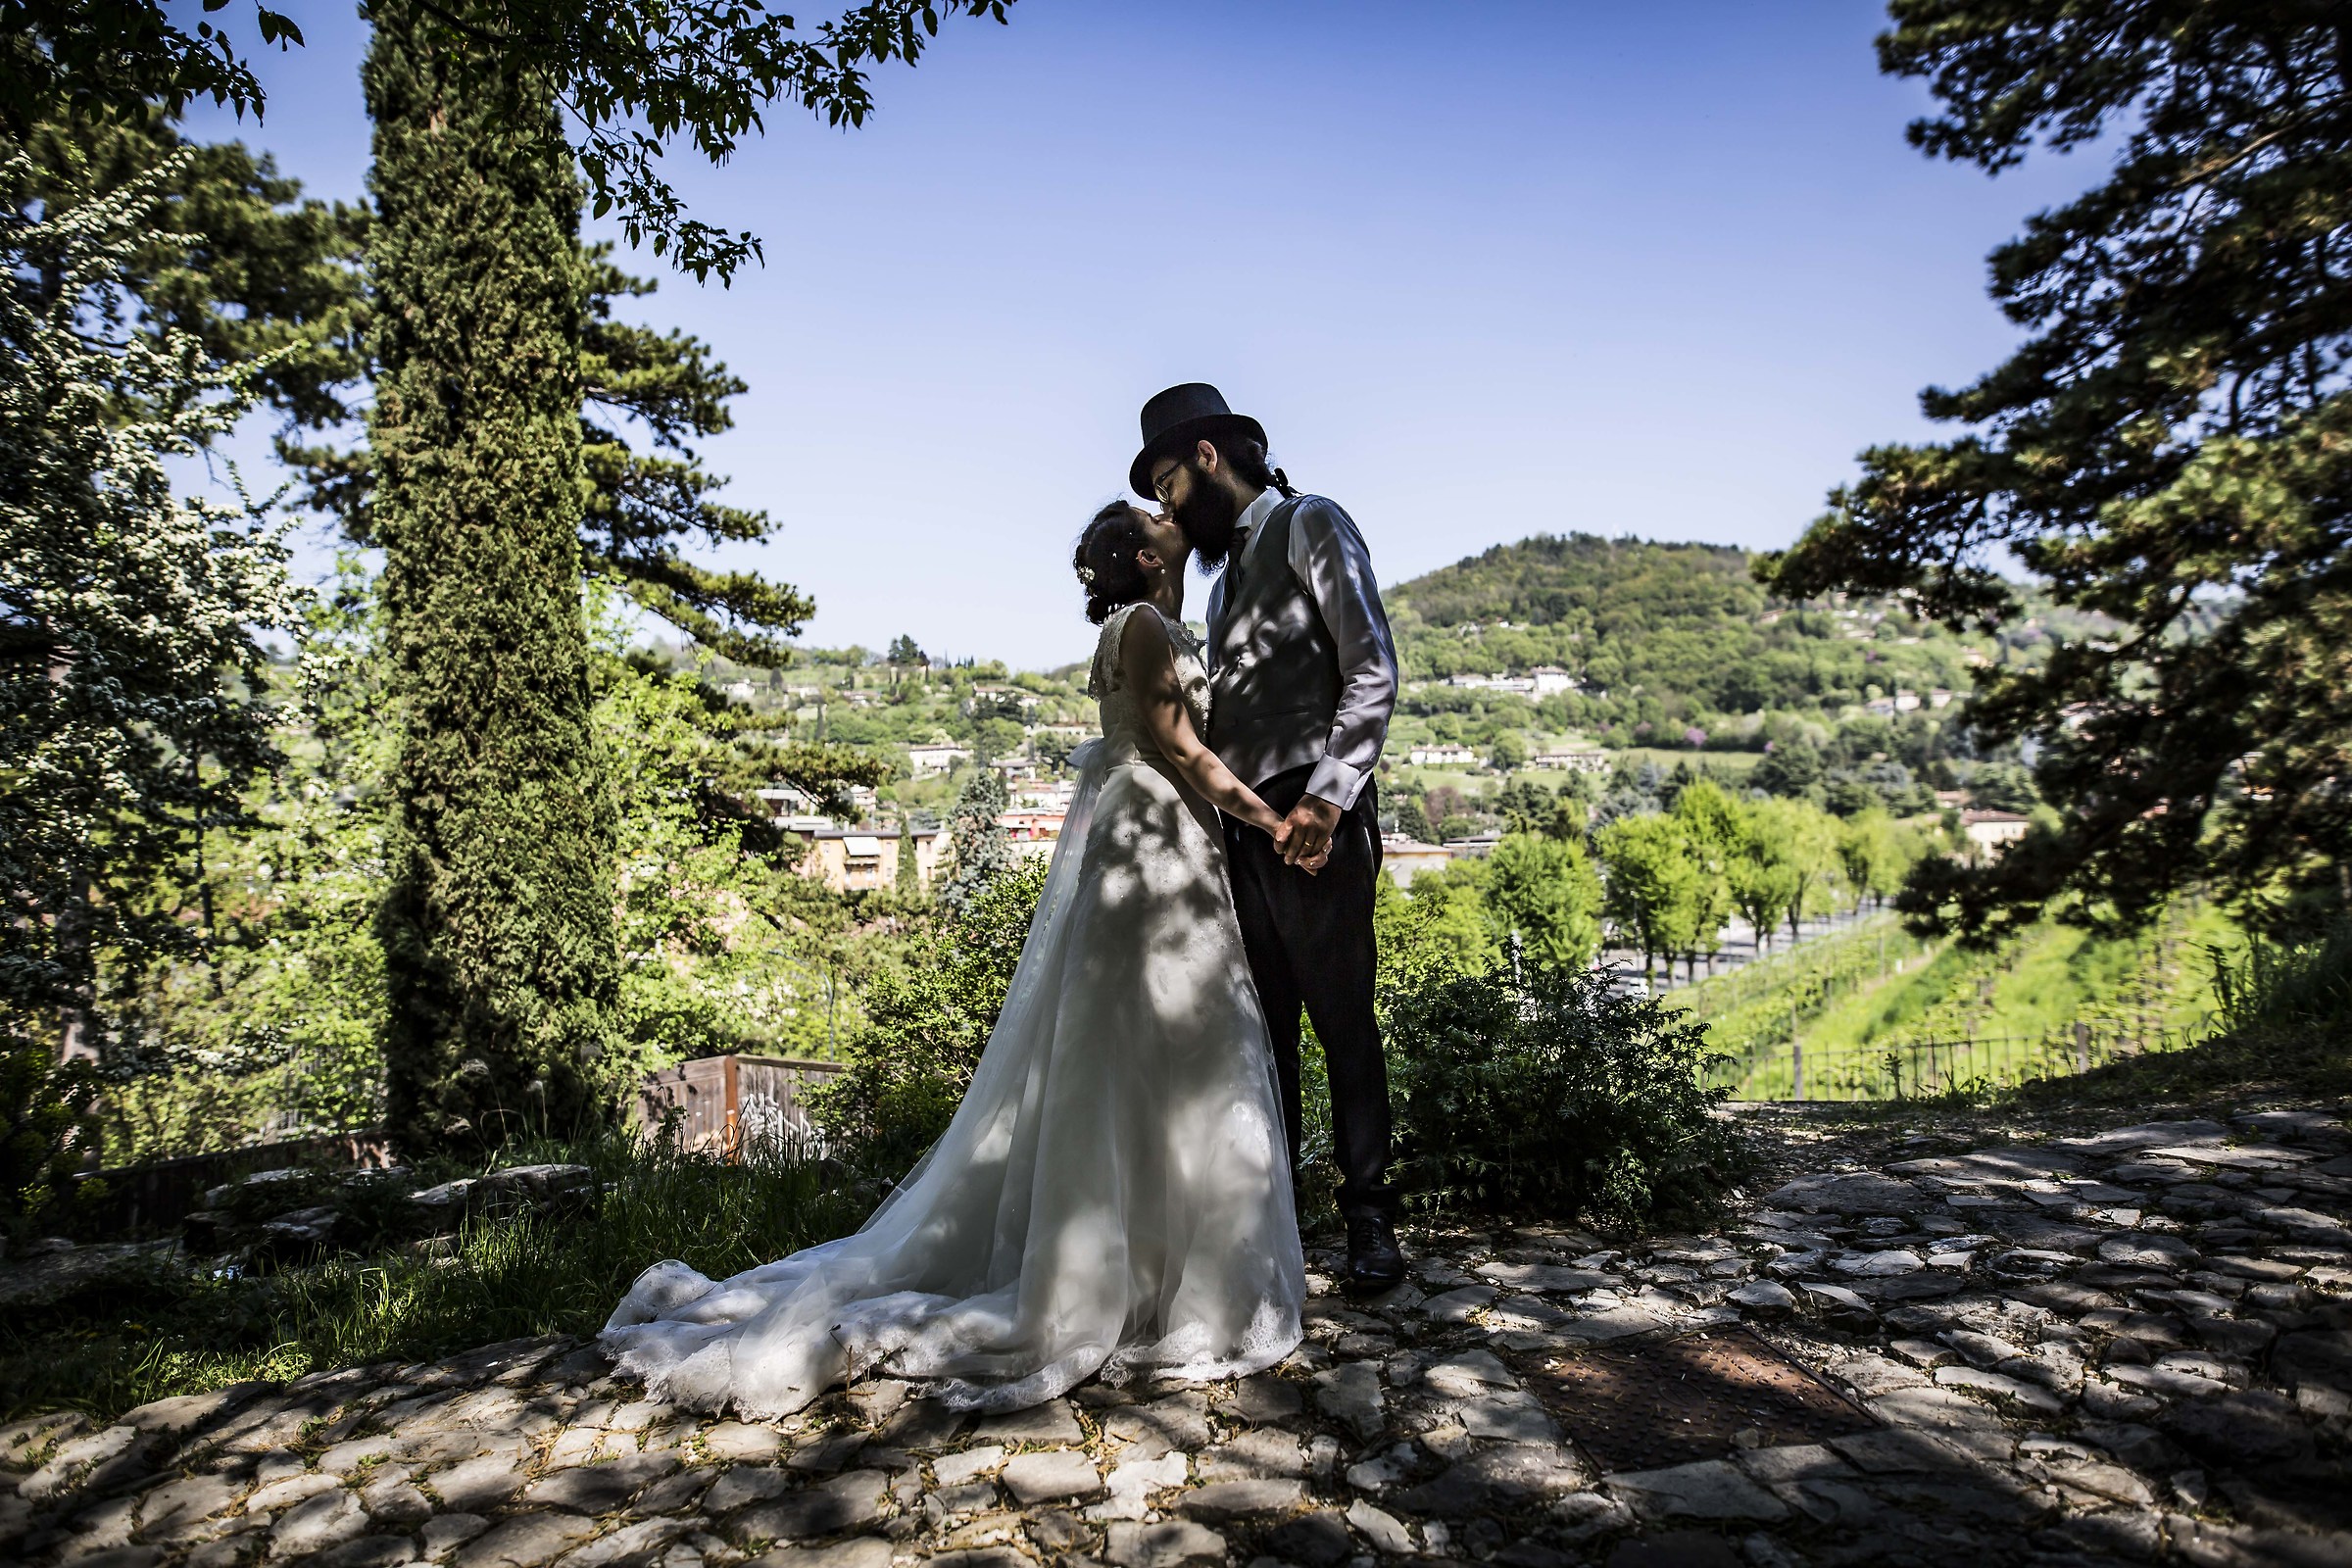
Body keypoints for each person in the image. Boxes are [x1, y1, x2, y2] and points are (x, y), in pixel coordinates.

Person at [601, 501, 1308, 1416]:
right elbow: (1180, 746)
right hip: (1153, 835)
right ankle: (1126, 1271)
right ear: (1143, 554)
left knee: (1171, 1038)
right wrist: (1274, 820)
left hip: (1171, 837)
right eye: (1152, 514)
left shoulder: (1165, 623)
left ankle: (1168, 1263)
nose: (1171, 513)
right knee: (1143, 1038)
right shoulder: (1141, 625)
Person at [1133, 382, 1405, 1291]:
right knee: (1267, 1035)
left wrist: (1327, 801)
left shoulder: (1310, 522)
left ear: (1208, 458)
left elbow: (1371, 668)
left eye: (1169, 484)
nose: (1170, 507)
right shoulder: (1221, 587)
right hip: (1246, 831)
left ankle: (1370, 1220)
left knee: (1343, 1020)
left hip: (1314, 817)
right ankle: (1279, 1221)